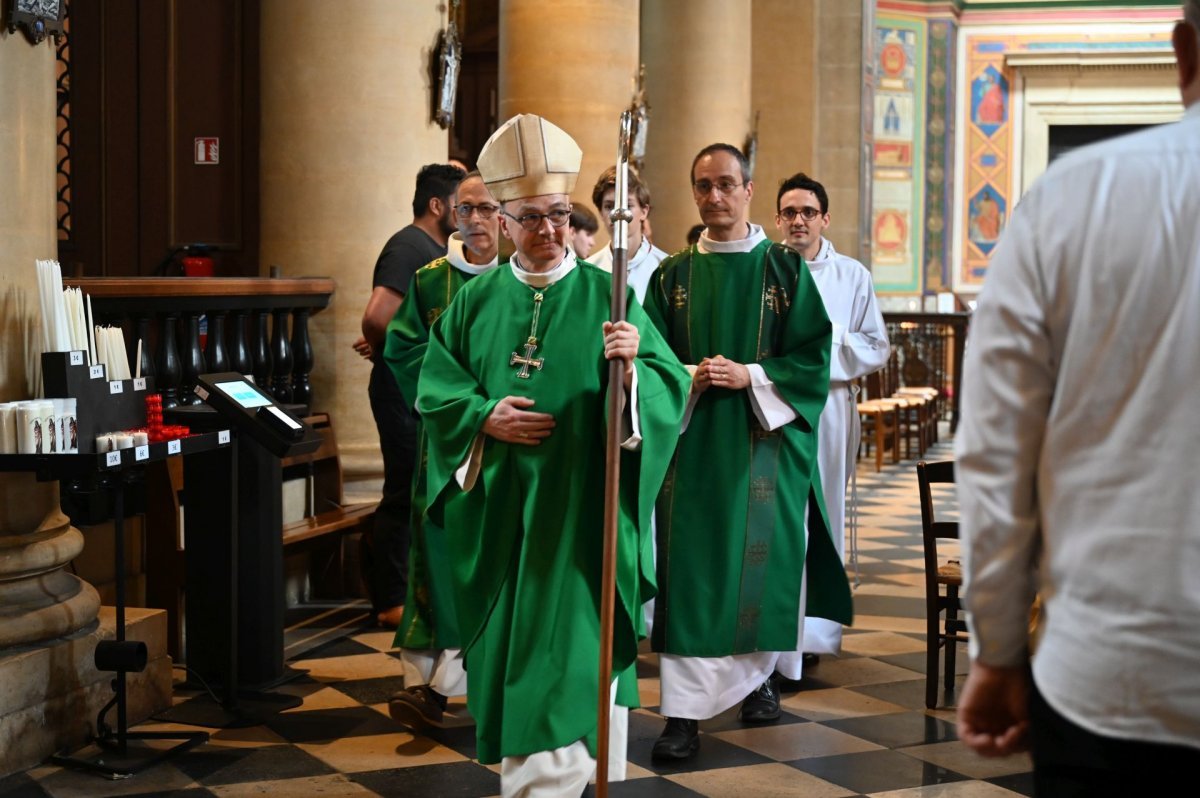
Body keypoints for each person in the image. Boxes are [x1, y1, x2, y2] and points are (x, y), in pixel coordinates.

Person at [954, 4, 1200, 792]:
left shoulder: (1073, 194)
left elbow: (995, 454)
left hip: (1114, 676)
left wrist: (997, 647)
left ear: (1183, 50)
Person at [416, 114, 690, 795]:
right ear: (503, 221)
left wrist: (633, 374)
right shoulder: (473, 302)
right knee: (520, 656)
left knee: (574, 656)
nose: (549, 232)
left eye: (561, 216)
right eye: (532, 218)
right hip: (505, 516)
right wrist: (483, 418)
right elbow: (437, 390)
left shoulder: (611, 292)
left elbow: (668, 388)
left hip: (583, 516)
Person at [644, 143, 851, 760]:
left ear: (748, 189)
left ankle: (761, 679)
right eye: (703, 186)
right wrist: (688, 376)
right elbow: (650, 365)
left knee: (761, 565)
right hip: (691, 451)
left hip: (765, 445)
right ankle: (682, 715)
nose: (714, 197)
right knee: (692, 574)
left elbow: (814, 358)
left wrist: (753, 376)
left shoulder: (785, 271)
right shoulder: (670, 276)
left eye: (726, 184)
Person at [382, 171, 502, 729]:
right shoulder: (431, 281)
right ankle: (422, 681)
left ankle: (455, 681)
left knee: (485, 560)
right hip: (447, 443)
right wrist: (456, 404)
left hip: (506, 445)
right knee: (435, 558)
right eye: (466, 209)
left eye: (487, 209)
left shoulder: (523, 281)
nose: (475, 220)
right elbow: (402, 349)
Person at [773, 173, 889, 664]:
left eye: (808, 212)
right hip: (772, 405)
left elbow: (876, 346)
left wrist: (827, 345)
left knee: (823, 517)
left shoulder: (852, 275)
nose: (798, 220)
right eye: (789, 212)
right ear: (778, 219)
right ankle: (773, 633)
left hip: (830, 408)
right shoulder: (765, 270)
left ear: (824, 218)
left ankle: (814, 635)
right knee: (776, 517)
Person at [354, 162, 465, 628]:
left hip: (415, 388)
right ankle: (390, 600)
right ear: (437, 205)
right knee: (402, 489)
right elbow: (377, 318)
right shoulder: (409, 245)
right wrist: (396, 355)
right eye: (463, 205)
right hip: (403, 390)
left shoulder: (436, 249)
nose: (470, 217)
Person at [587, 165, 668, 302]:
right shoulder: (588, 270)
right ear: (601, 212)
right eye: (609, 206)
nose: (617, 214)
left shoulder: (665, 268)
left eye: (627, 206)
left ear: (644, 211)